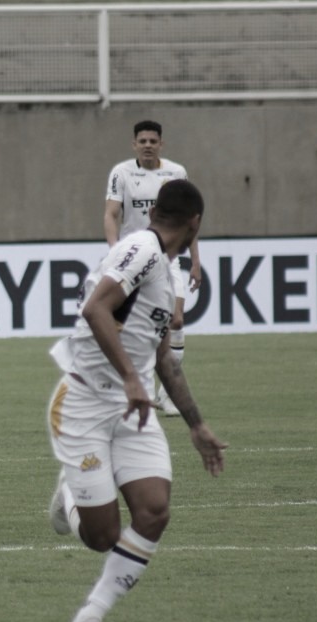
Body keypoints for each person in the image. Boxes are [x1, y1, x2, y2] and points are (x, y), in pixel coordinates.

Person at [48, 179, 226, 622]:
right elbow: (95, 309)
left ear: (155, 212)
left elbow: (164, 358)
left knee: (154, 511)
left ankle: (87, 620)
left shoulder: (165, 275)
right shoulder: (143, 249)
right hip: (84, 403)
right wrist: (130, 376)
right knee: (102, 535)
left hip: (134, 410)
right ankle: (70, 491)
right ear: (195, 223)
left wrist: (197, 424)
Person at [103, 120, 201, 416]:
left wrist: (195, 261)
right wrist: (115, 252)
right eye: (142, 140)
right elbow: (111, 214)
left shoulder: (176, 173)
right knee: (128, 326)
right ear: (134, 144)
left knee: (178, 320)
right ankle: (124, 388)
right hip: (134, 258)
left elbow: (189, 221)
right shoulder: (121, 173)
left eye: (152, 141)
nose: (147, 145)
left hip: (167, 258)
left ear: (161, 143)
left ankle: (165, 395)